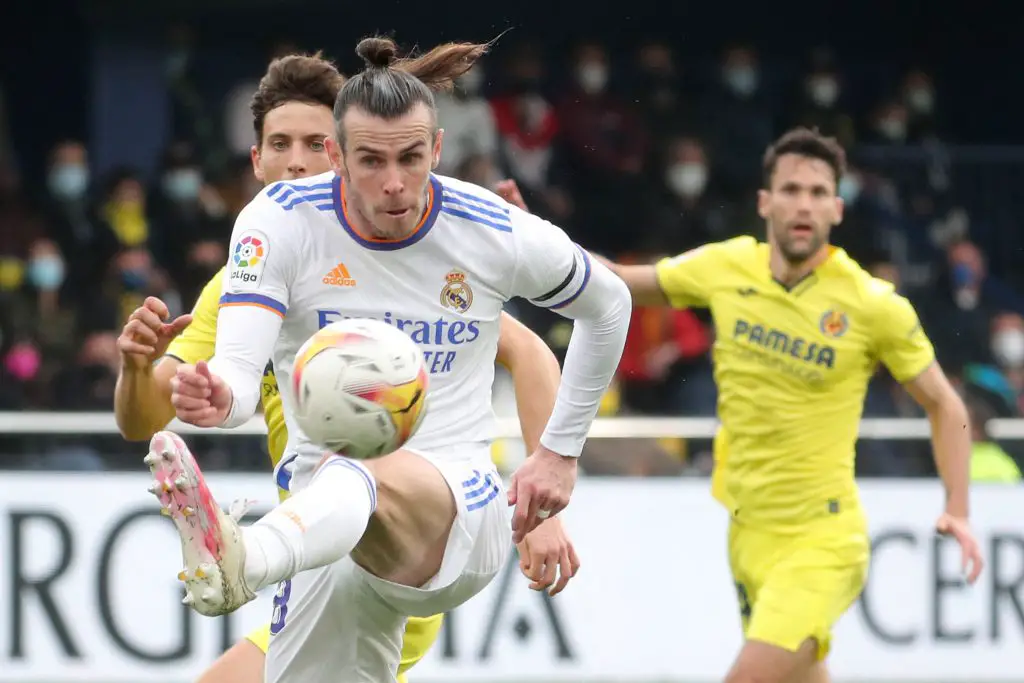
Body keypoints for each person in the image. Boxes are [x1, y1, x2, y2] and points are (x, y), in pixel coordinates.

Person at [150, 37, 630, 683]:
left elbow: (609, 305)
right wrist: (218, 396)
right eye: (371, 160)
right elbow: (238, 372)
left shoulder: (488, 228)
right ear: (336, 156)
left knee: (359, 472)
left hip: (460, 509)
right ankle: (256, 554)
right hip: (325, 534)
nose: (396, 182)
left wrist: (560, 455)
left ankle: (245, 558)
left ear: (436, 148)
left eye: (411, 157)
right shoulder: (279, 222)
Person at [592, 127, 983, 683]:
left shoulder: (872, 305)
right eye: (792, 189)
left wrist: (959, 507)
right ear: (765, 201)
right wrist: (538, 239)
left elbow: (946, 405)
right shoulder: (727, 267)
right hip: (748, 534)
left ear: (838, 208)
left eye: (820, 192)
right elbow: (621, 282)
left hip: (823, 541)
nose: (805, 203)